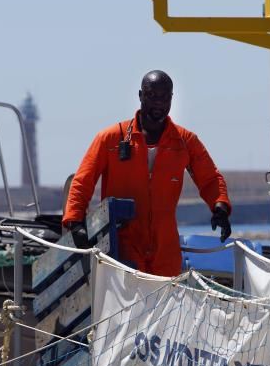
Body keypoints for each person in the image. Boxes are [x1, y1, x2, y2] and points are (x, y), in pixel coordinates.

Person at [62, 70, 232, 276]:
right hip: (121, 245)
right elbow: (83, 180)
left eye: (164, 97)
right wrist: (75, 220)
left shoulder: (186, 141)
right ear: (141, 95)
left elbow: (210, 179)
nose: (158, 103)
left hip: (165, 248)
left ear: (171, 99)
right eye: (152, 96)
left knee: (164, 305)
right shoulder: (111, 138)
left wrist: (220, 207)